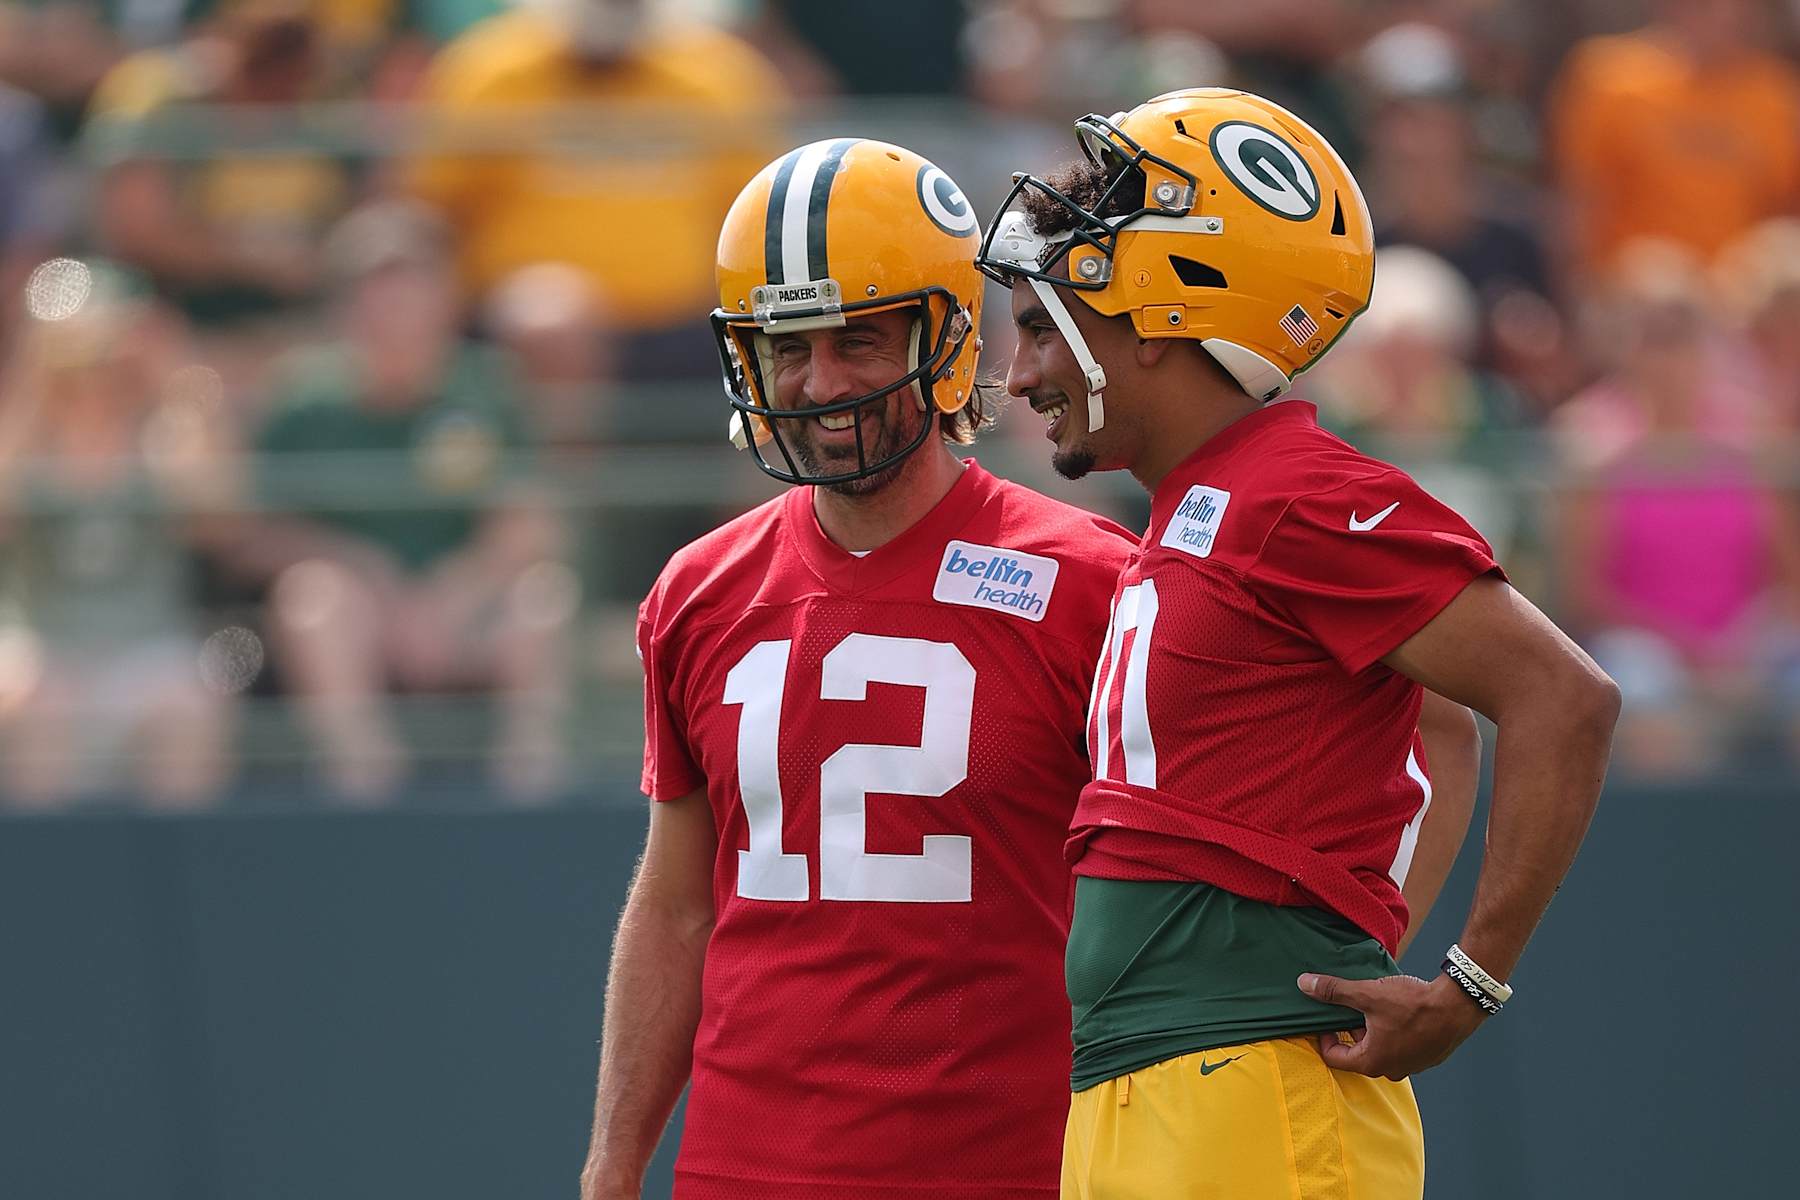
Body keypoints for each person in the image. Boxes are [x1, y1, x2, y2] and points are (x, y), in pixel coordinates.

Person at [978, 88, 1620, 1199]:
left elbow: (1563, 696)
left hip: (1253, 1094)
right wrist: (1365, 943)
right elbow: (1441, 726)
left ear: (1168, 303)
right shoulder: (1202, 505)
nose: (1021, 375)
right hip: (1153, 1086)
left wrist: (1467, 984)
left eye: (1044, 325)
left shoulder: (1293, 496)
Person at [577, 138, 1140, 1200]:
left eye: (859, 341)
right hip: (743, 1167)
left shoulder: (1092, 584)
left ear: (948, 336)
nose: (818, 381)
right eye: (788, 346)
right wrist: (613, 1165)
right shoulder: (699, 591)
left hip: (1008, 1165)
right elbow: (675, 906)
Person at [239, 201, 571, 803]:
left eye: (411, 286)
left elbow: (531, 524)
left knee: (543, 600)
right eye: (376, 288)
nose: (394, 305)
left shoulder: (488, 385)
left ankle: (529, 791)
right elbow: (256, 535)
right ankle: (365, 783)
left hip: (465, 610)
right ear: (345, 303)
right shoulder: (302, 399)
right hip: (362, 613)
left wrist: (454, 592)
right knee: (313, 601)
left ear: (446, 298)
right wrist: (364, 572)